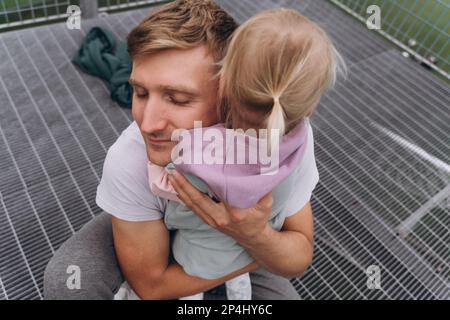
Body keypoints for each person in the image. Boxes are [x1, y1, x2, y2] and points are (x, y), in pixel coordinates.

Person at [44, 0, 324, 300]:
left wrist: (253, 235)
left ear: (229, 94)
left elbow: (299, 257)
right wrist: (259, 247)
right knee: (68, 280)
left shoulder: (278, 137)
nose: (147, 124)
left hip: (243, 239)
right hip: (204, 241)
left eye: (177, 99)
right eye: (139, 92)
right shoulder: (130, 158)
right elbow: (152, 287)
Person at [141, 8, 344, 300]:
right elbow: (298, 255)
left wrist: (159, 171)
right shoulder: (299, 141)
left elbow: (172, 182)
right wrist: (256, 237)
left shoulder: (202, 145)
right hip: (252, 256)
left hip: (194, 258)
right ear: (308, 108)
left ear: (224, 82)